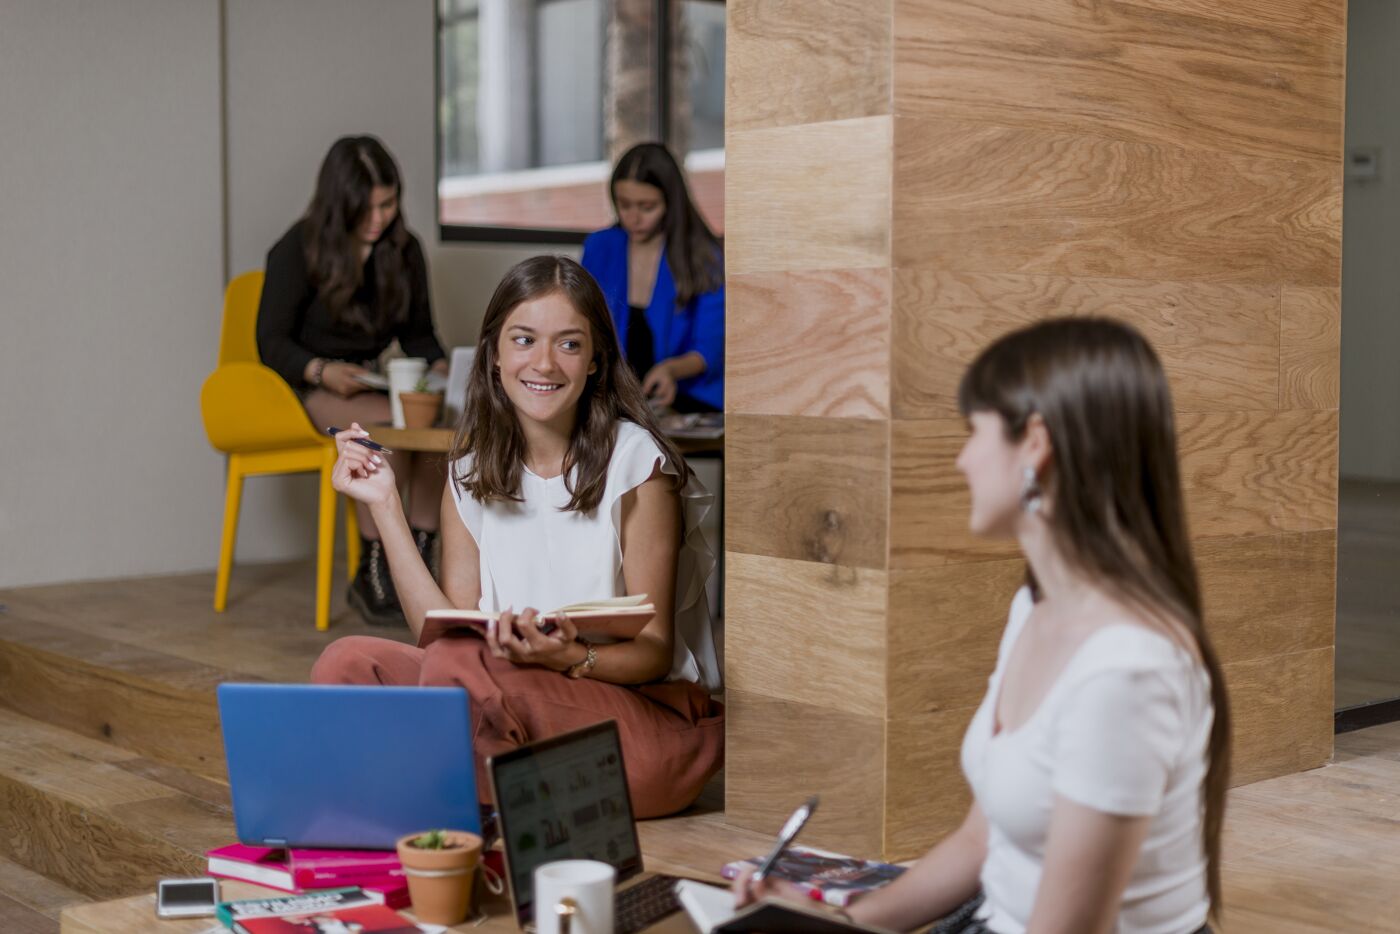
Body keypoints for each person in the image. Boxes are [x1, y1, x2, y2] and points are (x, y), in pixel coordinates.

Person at [736, 318, 1232, 934]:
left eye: (975, 432)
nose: (962, 459)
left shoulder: (1127, 670)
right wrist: (842, 925)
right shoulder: (1038, 606)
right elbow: (980, 841)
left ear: (1035, 445)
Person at [309, 255, 724, 818]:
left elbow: (653, 653)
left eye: (570, 345)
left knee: (461, 671)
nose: (545, 363)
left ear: (597, 359)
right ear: (494, 354)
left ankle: (430, 797)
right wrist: (385, 503)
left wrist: (569, 657)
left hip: (634, 727)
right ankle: (488, 792)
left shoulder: (637, 464)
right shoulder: (470, 470)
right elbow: (442, 635)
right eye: (524, 339)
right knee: (347, 662)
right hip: (506, 700)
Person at [256, 135, 448, 627]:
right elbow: (270, 343)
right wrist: (321, 370)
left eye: (388, 204)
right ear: (339, 204)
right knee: (383, 430)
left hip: (368, 385)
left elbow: (420, 337)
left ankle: (422, 553)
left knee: (436, 432)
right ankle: (375, 569)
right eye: (366, 208)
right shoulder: (297, 248)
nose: (379, 218)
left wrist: (443, 370)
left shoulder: (403, 251)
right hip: (307, 385)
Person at [581, 142, 724, 412]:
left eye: (647, 207)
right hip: (610, 397)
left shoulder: (704, 255)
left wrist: (671, 370)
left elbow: (711, 347)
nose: (633, 218)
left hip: (686, 398)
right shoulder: (600, 247)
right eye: (624, 205)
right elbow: (582, 323)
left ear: (671, 203)